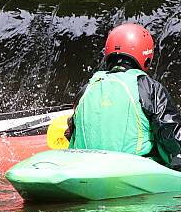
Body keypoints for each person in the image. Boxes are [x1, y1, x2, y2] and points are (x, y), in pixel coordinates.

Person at [66, 23, 181, 167]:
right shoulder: (148, 86)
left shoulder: (88, 87)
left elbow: (71, 132)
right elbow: (173, 137)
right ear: (146, 56)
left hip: (85, 165)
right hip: (133, 167)